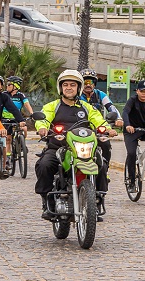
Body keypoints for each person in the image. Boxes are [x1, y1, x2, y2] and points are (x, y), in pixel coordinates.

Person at [34, 69, 114, 221]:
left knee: (101, 165)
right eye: (65, 85)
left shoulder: (87, 107)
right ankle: (47, 201)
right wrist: (42, 128)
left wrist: (107, 129)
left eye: (72, 85)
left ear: (79, 87)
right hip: (59, 148)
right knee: (44, 165)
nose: (69, 88)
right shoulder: (53, 106)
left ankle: (97, 201)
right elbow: (43, 119)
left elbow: (99, 120)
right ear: (60, 87)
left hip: (84, 149)